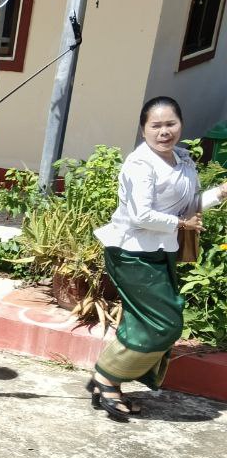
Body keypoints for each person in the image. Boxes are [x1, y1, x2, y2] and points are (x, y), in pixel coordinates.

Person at [90, 96, 225, 420]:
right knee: (164, 324)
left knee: (144, 322)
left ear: (180, 124)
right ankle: (106, 376)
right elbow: (140, 215)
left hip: (160, 250)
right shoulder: (140, 165)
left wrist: (220, 192)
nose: (164, 131)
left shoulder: (181, 159)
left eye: (170, 124)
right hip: (131, 252)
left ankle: (109, 381)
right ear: (143, 130)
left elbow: (187, 205)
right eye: (156, 126)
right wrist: (181, 224)